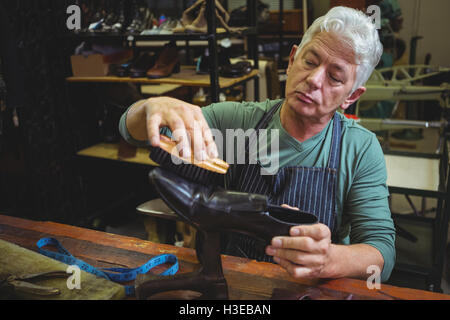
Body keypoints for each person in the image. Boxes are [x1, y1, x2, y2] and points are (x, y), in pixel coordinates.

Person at [119, 6, 396, 282]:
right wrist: (149, 108)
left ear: (351, 96)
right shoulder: (238, 122)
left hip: (309, 288)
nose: (314, 80)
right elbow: (131, 132)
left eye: (335, 77)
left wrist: (330, 259)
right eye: (309, 62)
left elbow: (381, 252)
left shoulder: (359, 149)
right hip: (235, 281)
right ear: (291, 60)